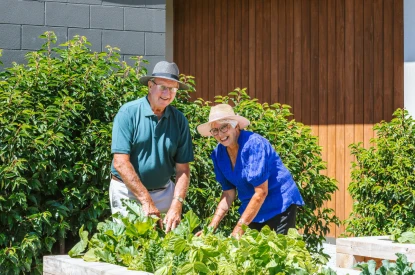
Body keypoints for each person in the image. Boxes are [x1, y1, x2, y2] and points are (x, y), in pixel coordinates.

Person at [196, 104, 304, 238]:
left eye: (224, 127)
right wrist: (210, 228)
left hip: (279, 203)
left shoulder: (254, 145)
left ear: (235, 126)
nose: (220, 134)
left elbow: (261, 192)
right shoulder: (218, 154)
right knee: (253, 253)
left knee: (279, 253)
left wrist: (239, 227)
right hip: (253, 208)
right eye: (215, 130)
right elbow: (228, 193)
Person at [109, 61, 194, 233]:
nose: (167, 93)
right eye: (163, 87)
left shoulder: (179, 120)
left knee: (166, 248)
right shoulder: (128, 113)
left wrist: (176, 204)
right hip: (128, 193)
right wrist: (146, 201)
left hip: (164, 193)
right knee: (131, 247)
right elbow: (120, 163)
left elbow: (183, 169)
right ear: (150, 85)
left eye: (173, 89)